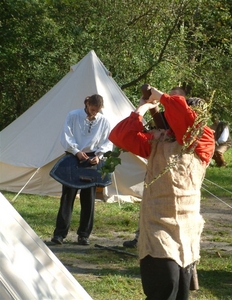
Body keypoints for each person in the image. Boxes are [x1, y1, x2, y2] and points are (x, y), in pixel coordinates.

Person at [109, 85, 214, 299]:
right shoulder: (158, 141)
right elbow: (120, 136)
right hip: (156, 222)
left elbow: (185, 121)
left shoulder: (203, 139)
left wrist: (162, 97)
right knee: (165, 285)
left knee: (181, 292)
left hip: (186, 227)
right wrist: (142, 109)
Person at [122, 86, 187, 249]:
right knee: (148, 203)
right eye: (170, 96)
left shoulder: (188, 120)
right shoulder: (162, 116)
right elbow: (152, 134)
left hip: (179, 171)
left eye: (175, 97)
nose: (171, 99)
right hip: (157, 168)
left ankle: (175, 241)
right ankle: (141, 237)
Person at [51, 94, 112, 246]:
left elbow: (107, 141)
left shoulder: (104, 121)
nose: (94, 113)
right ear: (87, 103)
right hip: (73, 158)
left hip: (92, 160)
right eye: (92, 109)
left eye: (97, 110)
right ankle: (59, 234)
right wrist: (76, 151)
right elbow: (67, 136)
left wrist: (99, 156)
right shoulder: (73, 115)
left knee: (89, 200)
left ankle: (83, 235)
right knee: (67, 198)